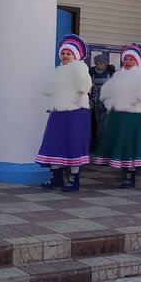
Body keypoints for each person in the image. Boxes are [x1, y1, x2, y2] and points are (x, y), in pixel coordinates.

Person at [35, 34, 92, 193]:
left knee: (72, 144)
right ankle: (57, 177)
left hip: (74, 112)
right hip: (58, 112)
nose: (65, 56)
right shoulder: (59, 69)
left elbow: (84, 86)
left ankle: (74, 178)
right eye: (63, 53)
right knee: (54, 143)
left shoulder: (80, 68)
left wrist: (76, 97)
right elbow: (48, 89)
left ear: (75, 55)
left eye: (68, 53)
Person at [93, 43, 141, 188]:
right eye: (125, 59)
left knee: (129, 144)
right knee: (119, 143)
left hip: (133, 115)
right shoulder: (118, 75)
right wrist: (109, 103)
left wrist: (137, 99)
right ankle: (125, 172)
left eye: (131, 59)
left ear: (137, 61)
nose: (127, 62)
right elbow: (106, 91)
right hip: (118, 115)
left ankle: (130, 175)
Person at [89, 54, 115, 153]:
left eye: (101, 63)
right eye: (97, 64)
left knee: (106, 125)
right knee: (95, 126)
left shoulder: (111, 73)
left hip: (107, 102)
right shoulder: (91, 73)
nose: (99, 66)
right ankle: (96, 147)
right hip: (95, 102)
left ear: (105, 64)